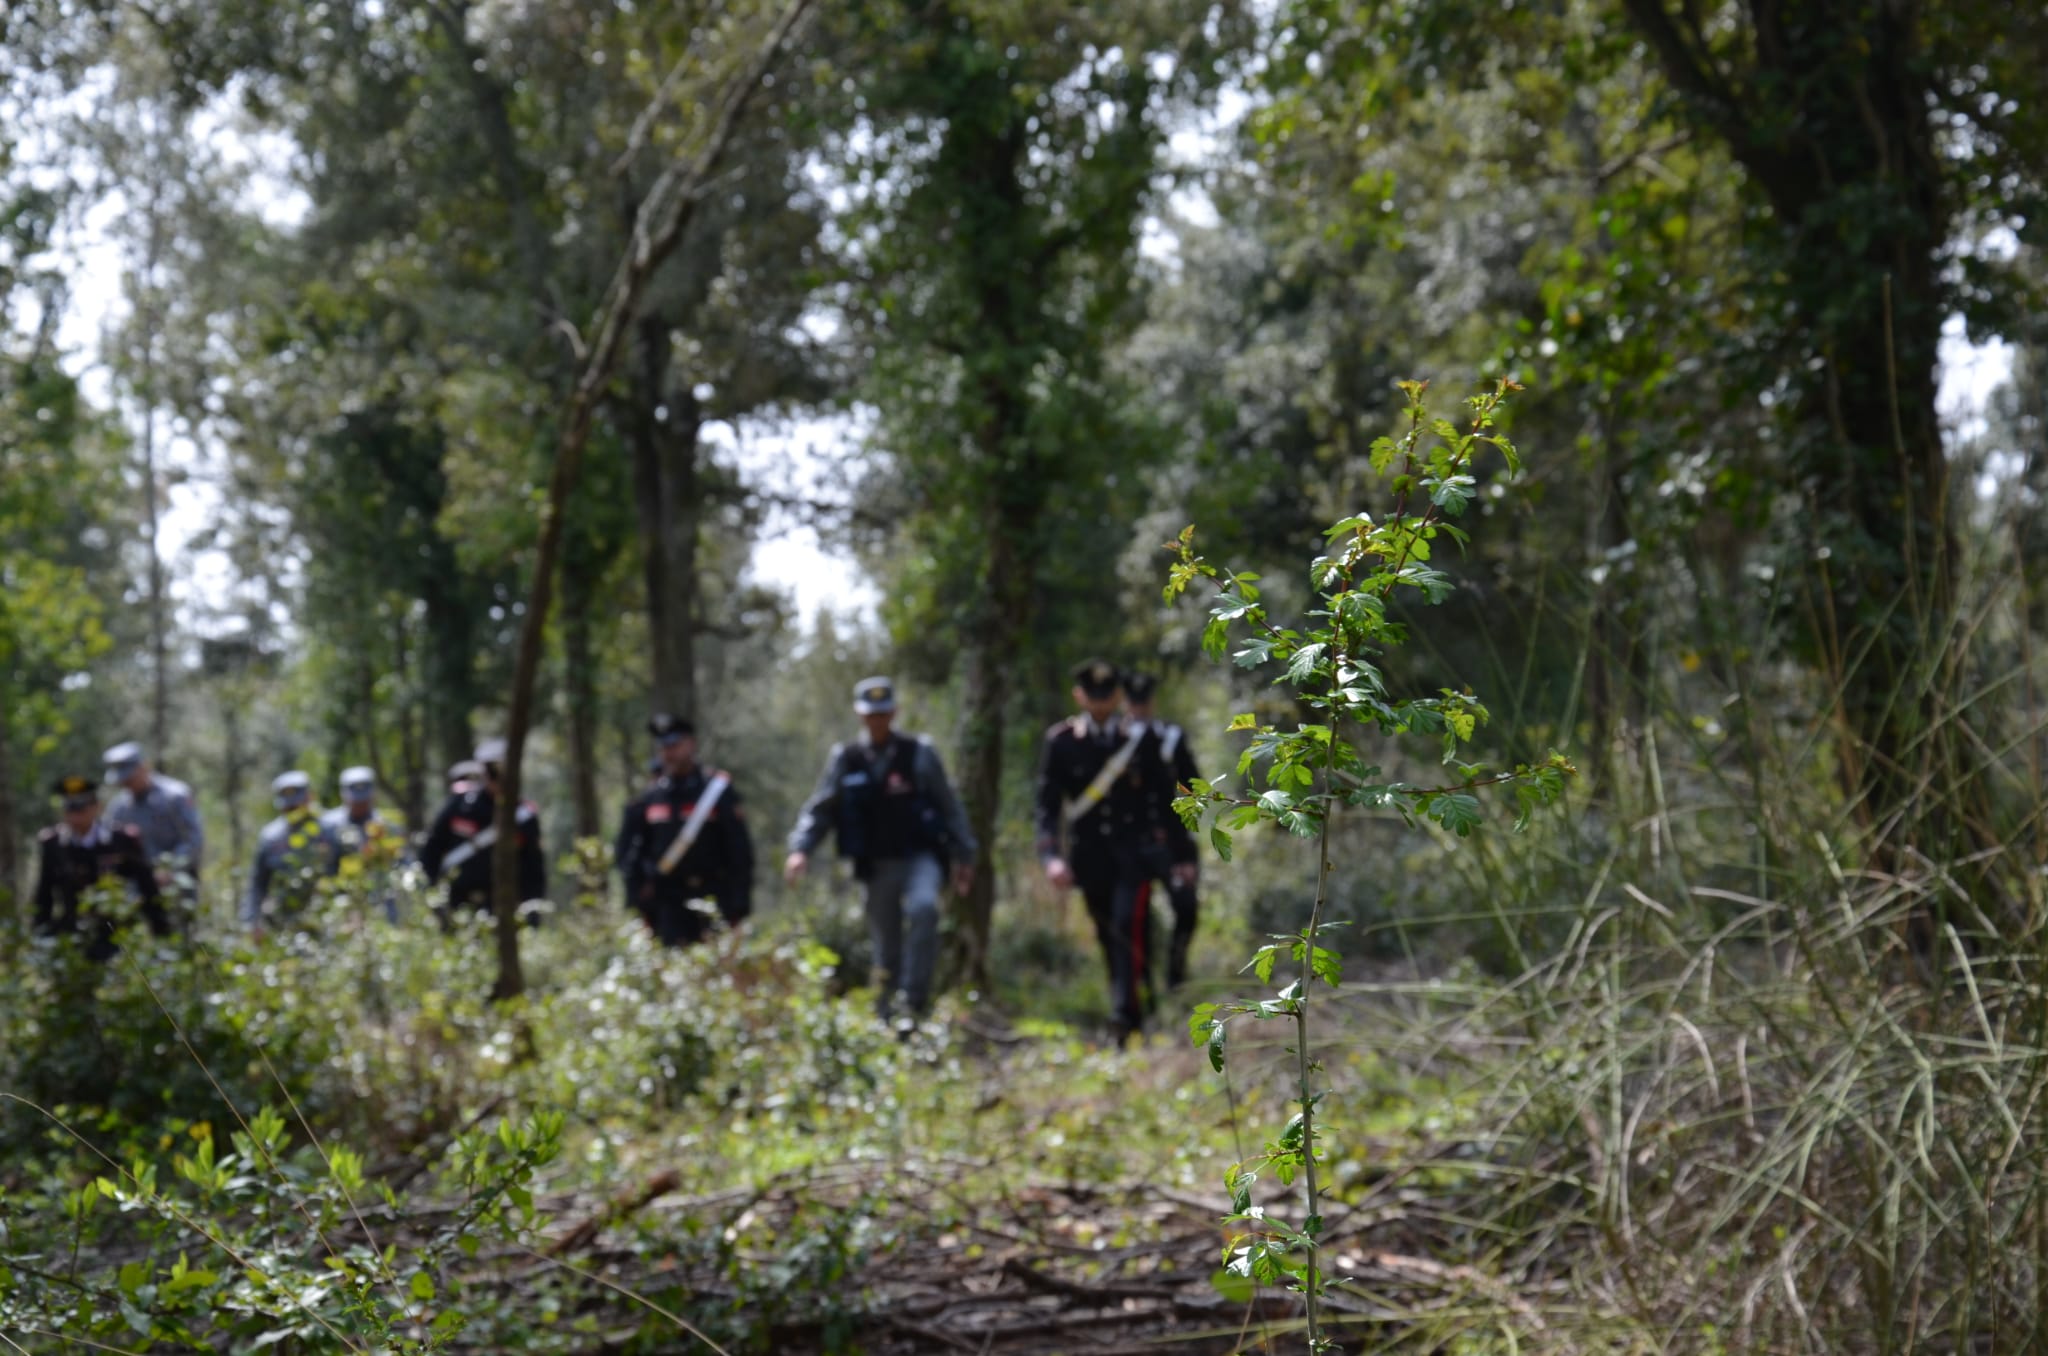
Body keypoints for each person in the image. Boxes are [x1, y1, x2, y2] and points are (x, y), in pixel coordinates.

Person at [785, 677, 977, 1024]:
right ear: (860, 715)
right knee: (885, 942)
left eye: (884, 713)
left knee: (923, 910)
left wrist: (965, 855)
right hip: (876, 864)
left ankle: (914, 1005)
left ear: (894, 713)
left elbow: (950, 807)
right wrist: (801, 849)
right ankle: (887, 1015)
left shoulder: (919, 752)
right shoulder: (846, 758)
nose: (878, 721)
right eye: (871, 714)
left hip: (922, 857)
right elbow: (822, 808)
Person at [1033, 659, 1187, 1045]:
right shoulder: (1061, 742)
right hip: (1089, 860)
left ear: (1118, 695)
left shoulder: (1142, 739)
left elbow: (1165, 801)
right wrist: (1052, 857)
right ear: (1079, 696)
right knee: (1109, 934)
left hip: (1136, 858)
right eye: (1093, 695)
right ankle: (1138, 995)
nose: (1101, 703)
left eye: (1108, 695)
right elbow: (1048, 806)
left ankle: (1124, 1019)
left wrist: (1181, 856)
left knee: (1125, 924)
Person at [615, 713, 755, 946]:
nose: (669, 752)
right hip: (667, 905)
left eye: (674, 744)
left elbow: (740, 852)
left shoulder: (717, 791)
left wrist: (739, 907)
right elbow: (630, 854)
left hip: (713, 899)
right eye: (663, 746)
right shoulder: (650, 798)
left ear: (691, 744)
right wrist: (638, 903)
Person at [1122, 671, 1203, 990]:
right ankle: (1142, 984)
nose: (1139, 707)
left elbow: (1193, 788)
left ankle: (1176, 974)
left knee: (1186, 908)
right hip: (1130, 847)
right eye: (1134, 701)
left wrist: (1184, 848)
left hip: (1172, 844)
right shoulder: (1115, 738)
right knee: (1133, 921)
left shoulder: (1171, 737)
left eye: (1144, 701)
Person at [33, 774, 170, 960]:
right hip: (72, 939)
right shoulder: (53, 844)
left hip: (118, 938)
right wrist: (41, 942)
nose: (75, 814)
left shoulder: (122, 840)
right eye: (69, 807)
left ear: (96, 806)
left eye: (80, 807)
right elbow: (44, 896)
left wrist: (163, 940)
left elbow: (148, 890)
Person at [417, 738, 547, 919]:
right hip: (458, 906)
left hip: (504, 910)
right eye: (492, 772)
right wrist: (431, 896)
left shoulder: (524, 816)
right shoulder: (460, 806)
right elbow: (432, 850)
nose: (498, 779)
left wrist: (533, 911)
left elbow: (534, 869)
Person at [101, 741, 204, 910]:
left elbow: (193, 839)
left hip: (177, 889)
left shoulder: (174, 796)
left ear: (143, 767)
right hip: (136, 894)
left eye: (130, 778)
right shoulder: (119, 807)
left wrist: (170, 870)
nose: (126, 785)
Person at [244, 771, 333, 930]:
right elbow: (258, 883)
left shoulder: (328, 829)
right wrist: (253, 921)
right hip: (283, 920)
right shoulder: (270, 837)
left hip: (326, 916)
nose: (293, 812)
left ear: (309, 798)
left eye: (296, 805)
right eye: (289, 807)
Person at [321, 766, 404, 920]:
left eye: (363, 800)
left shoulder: (387, 824)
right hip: (343, 903)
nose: (360, 805)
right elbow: (326, 869)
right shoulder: (329, 825)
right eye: (356, 800)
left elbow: (402, 863)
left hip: (382, 902)